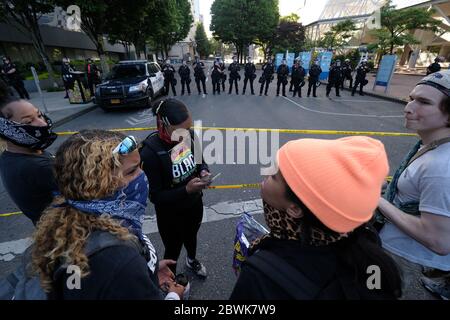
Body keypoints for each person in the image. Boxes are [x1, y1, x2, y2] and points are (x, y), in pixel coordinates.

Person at [230, 136, 402, 300]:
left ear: (295, 209)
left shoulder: (261, 275)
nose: (266, 173)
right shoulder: (367, 243)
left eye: (273, 176)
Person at [31, 129, 185, 300]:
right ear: (96, 186)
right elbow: (113, 271)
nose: (143, 176)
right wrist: (174, 296)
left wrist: (148, 268)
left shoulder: (69, 217)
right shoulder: (118, 260)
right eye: (131, 172)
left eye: (140, 167)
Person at [377, 70, 450, 300]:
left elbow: (438, 241)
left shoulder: (440, 167)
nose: (408, 107)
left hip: (408, 260)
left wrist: (376, 199)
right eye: (411, 98)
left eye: (424, 102)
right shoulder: (432, 146)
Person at [140, 98, 210, 277]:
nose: (186, 133)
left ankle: (192, 260)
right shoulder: (150, 152)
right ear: (164, 124)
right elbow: (155, 196)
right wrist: (186, 190)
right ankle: (170, 279)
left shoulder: (191, 135)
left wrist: (203, 172)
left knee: (191, 236)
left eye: (188, 128)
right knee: (173, 247)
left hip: (194, 204)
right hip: (170, 215)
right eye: (181, 130)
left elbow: (201, 161)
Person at [0, 81, 57, 225]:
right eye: (29, 121)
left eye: (39, 115)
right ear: (8, 129)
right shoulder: (38, 167)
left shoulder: (13, 155)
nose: (42, 124)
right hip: (67, 232)